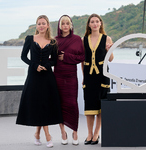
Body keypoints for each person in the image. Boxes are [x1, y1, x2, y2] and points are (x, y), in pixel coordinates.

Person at [16, 15, 63, 148]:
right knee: (37, 103)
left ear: (48, 25)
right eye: (39, 24)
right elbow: (23, 57)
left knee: (45, 104)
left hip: (47, 76)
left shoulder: (53, 42)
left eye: (43, 23)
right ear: (36, 26)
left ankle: (38, 133)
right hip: (33, 75)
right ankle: (48, 136)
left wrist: (47, 66)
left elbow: (54, 60)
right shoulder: (30, 39)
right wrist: (34, 65)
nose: (41, 26)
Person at [81, 13, 114, 145]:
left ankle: (96, 133)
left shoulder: (107, 38)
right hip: (89, 76)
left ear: (100, 23)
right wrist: (83, 77)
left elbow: (110, 59)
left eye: (97, 21)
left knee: (101, 106)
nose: (95, 24)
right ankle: (89, 133)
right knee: (89, 106)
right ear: (89, 24)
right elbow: (82, 61)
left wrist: (109, 51)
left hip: (103, 75)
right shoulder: (83, 39)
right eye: (92, 21)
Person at [54, 15, 85, 145]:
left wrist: (66, 56)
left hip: (71, 76)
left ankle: (75, 131)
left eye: (67, 23)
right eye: (63, 24)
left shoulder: (77, 39)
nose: (65, 26)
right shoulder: (54, 40)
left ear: (71, 25)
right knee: (59, 104)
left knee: (72, 104)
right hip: (58, 75)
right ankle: (62, 132)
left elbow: (82, 56)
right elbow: (50, 58)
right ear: (60, 26)